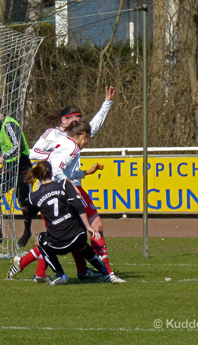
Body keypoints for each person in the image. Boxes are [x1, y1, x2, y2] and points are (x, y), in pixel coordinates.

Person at [8, 121, 125, 283]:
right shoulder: (73, 147)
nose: (87, 144)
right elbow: (56, 169)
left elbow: (59, 167)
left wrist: (85, 173)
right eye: (88, 140)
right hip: (56, 193)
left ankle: (36, 268)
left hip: (52, 191)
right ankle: (104, 273)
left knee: (67, 236)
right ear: (84, 136)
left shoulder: (65, 143)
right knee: (67, 234)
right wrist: (69, 185)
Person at [18, 86, 115, 247]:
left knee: (78, 231)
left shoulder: (76, 137)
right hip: (56, 185)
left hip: (72, 183)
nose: (79, 123)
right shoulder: (53, 134)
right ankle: (38, 267)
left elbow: (92, 127)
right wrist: (54, 157)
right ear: (64, 120)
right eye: (75, 120)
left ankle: (89, 270)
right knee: (64, 233)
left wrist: (107, 103)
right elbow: (34, 153)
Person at [14, 160, 109, 285]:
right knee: (82, 244)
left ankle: (60, 274)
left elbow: (29, 214)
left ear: (37, 175)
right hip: (79, 236)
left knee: (40, 239)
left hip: (58, 244)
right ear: (52, 173)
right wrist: (88, 227)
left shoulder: (34, 196)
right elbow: (78, 206)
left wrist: (27, 206)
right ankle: (104, 271)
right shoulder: (64, 184)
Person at [0, 99, 32, 244]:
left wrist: (3, 158)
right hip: (9, 169)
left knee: (23, 204)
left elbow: (19, 146)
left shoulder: (9, 123)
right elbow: (5, 144)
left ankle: (27, 232)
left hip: (22, 169)